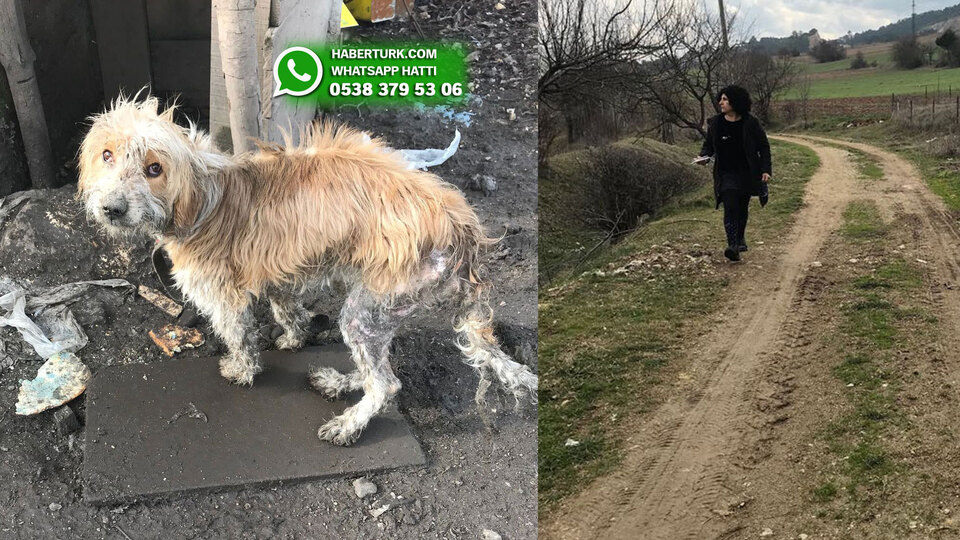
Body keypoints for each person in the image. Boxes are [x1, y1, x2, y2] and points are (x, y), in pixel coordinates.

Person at [696, 85, 772, 262]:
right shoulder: (716, 123)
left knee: (742, 207)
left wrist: (766, 169)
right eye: (720, 99)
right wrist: (703, 157)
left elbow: (764, 146)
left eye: (725, 99)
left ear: (735, 101)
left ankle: (740, 238)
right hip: (725, 173)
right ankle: (732, 245)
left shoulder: (750, 122)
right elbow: (709, 146)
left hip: (747, 172)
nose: (720, 102)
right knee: (730, 206)